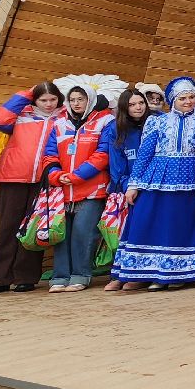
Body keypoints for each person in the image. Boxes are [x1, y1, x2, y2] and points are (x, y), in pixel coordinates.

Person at [111, 76, 195, 290]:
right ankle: (143, 273)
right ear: (172, 100)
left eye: (191, 97)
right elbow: (144, 154)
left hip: (190, 181)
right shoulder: (157, 121)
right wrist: (134, 184)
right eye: (182, 99)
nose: (188, 102)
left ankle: (176, 274)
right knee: (149, 221)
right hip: (157, 178)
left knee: (180, 225)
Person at [0, 81, 63, 294]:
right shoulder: (22, 114)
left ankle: (26, 277)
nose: (48, 104)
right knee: (8, 228)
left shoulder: (63, 117)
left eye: (52, 99)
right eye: (43, 100)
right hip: (13, 176)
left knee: (34, 228)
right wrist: (27, 93)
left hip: (44, 180)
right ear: (34, 100)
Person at [40, 86, 114, 292]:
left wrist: (77, 176)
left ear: (89, 100)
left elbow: (103, 154)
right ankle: (60, 275)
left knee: (83, 233)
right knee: (61, 235)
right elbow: (50, 153)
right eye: (72, 100)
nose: (76, 103)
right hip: (63, 189)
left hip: (91, 189)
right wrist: (56, 175)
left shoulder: (104, 121)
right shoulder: (59, 123)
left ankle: (81, 274)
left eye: (80, 99)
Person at [101, 88, 150, 291]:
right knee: (126, 232)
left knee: (144, 231)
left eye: (141, 103)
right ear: (124, 107)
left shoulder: (156, 122)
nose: (138, 107)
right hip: (129, 188)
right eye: (132, 104)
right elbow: (116, 162)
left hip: (151, 186)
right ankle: (120, 273)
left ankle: (140, 274)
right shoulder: (116, 128)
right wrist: (126, 185)